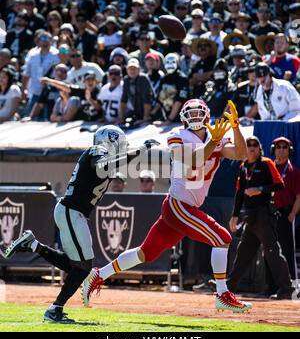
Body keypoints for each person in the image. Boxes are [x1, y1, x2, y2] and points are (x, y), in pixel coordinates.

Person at [82, 100, 253, 313]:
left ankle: (98, 274)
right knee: (222, 238)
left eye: (198, 113)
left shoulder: (214, 136)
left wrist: (236, 127)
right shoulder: (178, 136)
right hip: (179, 206)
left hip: (182, 208)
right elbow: (193, 160)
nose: (194, 117)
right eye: (189, 114)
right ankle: (222, 294)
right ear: (183, 118)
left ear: (207, 115)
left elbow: (241, 154)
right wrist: (214, 142)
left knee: (145, 254)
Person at [4, 125, 160, 322]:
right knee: (83, 267)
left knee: (77, 266)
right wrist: (139, 150)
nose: (121, 147)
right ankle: (54, 310)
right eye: (119, 143)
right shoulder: (97, 151)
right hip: (71, 211)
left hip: (74, 212)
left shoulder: (103, 155)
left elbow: (107, 166)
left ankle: (33, 245)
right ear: (110, 141)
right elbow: (103, 165)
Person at [227, 136, 294, 299]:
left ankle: (286, 288)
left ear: (260, 148)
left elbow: (280, 185)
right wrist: (234, 215)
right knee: (243, 251)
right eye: (249, 145)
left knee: (272, 251)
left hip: (264, 214)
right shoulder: (243, 166)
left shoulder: (266, 163)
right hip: (250, 216)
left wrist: (260, 189)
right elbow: (239, 193)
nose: (251, 147)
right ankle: (229, 288)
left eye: (254, 145)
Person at [264, 137, 300, 296]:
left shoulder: (293, 171)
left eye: (285, 147)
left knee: (286, 252)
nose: (281, 150)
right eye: (278, 147)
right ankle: (270, 287)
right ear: (273, 150)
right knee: (269, 251)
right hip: (268, 215)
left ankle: (291, 287)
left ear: (289, 151)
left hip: (285, 214)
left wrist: (291, 216)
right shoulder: (267, 168)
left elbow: (299, 197)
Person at [152, 53, 189, 124]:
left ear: (178, 64)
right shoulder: (164, 79)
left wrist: (169, 120)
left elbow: (179, 101)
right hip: (166, 117)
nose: (170, 65)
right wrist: (150, 117)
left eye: (173, 62)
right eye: (167, 62)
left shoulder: (182, 79)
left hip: (180, 120)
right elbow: (159, 100)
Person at [120, 58, 154, 126]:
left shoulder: (143, 78)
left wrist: (145, 118)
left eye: (134, 68)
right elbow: (124, 100)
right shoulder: (126, 80)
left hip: (152, 113)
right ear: (127, 70)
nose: (132, 71)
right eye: (130, 68)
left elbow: (148, 99)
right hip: (138, 113)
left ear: (139, 69)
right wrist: (122, 118)